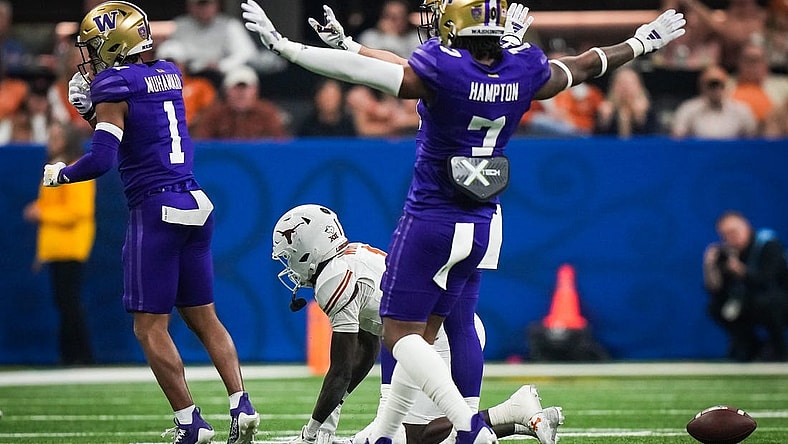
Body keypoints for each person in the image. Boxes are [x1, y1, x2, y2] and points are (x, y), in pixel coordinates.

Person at [242, 1, 685, 444]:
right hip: (483, 217)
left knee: (401, 334)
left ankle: (469, 426)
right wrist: (642, 41)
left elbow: (379, 76)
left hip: (434, 215)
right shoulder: (522, 68)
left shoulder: (445, 70)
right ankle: (406, 430)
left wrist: (287, 48)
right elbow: (585, 64)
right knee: (443, 326)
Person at [40, 2, 259, 443]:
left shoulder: (113, 83)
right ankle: (241, 402)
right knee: (205, 317)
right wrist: (96, 111)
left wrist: (62, 172)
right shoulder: (170, 72)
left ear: (115, 43)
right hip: (194, 200)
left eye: (95, 46)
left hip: (156, 208)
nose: (91, 56)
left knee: (148, 326)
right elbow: (139, 125)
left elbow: (102, 158)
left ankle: (190, 422)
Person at [271, 204, 561, 444]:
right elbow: (367, 348)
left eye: (288, 255)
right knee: (408, 435)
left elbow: (341, 370)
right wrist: (328, 422)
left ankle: (508, 413)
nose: (288, 265)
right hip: (435, 330)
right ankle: (513, 415)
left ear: (309, 248)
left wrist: (310, 434)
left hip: (434, 337)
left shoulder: (333, 281)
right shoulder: (351, 259)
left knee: (409, 438)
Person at [23, 121, 95, 366]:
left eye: (57, 136)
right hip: (57, 247)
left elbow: (78, 211)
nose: (51, 141)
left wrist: (42, 214)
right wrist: (42, 252)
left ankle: (79, 355)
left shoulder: (77, 169)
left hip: (71, 246)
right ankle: (72, 354)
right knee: (65, 303)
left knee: (69, 303)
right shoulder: (54, 168)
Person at [703, 211, 788, 362]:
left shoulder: (767, 244)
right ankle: (751, 346)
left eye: (734, 232)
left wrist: (740, 270)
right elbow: (715, 289)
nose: (731, 237)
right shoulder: (728, 253)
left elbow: (768, 280)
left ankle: (778, 347)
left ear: (746, 227)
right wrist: (709, 266)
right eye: (725, 234)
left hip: (778, 300)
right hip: (748, 302)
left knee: (767, 303)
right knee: (717, 307)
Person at [168, 0, 258, 84]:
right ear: (190, 6)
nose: (204, 10)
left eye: (207, 4)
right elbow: (171, 51)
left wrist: (221, 66)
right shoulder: (181, 25)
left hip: (223, 74)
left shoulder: (229, 24)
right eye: (200, 5)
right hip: (191, 73)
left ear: (216, 5)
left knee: (243, 73)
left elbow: (247, 53)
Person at [191, 64, 288, 139]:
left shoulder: (267, 113)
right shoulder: (213, 114)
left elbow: (279, 143)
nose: (241, 93)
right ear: (226, 91)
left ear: (255, 91)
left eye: (245, 88)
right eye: (236, 88)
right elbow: (202, 144)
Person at [671, 65, 757, 139]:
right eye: (712, 84)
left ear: (727, 85)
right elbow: (677, 139)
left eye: (721, 84)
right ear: (702, 86)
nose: (717, 89)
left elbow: (752, 141)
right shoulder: (688, 109)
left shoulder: (742, 110)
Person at [155, 40, 218, 130]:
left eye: (174, 63)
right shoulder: (149, 88)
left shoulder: (201, 86)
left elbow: (210, 112)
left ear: (183, 64)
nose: (169, 67)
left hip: (193, 134)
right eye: (165, 63)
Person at [594, 67, 659, 137]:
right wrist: (604, 121)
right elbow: (596, 140)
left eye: (630, 83)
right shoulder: (604, 110)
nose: (625, 88)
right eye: (621, 83)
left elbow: (655, 139)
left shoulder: (649, 110)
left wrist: (641, 119)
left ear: (639, 86)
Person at [355, 0, 422, 59]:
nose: (390, 21)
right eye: (387, 16)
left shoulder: (416, 39)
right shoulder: (369, 37)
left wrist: (391, 36)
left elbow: (407, 65)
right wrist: (389, 35)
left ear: (406, 19)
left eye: (396, 17)